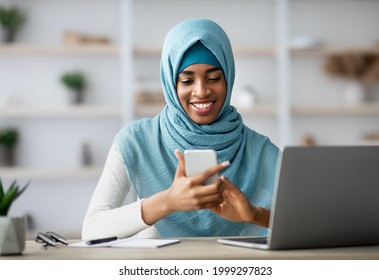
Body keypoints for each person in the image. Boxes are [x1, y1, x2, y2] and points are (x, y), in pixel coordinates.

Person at [82, 18, 280, 240]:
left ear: (229, 78)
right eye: (187, 81)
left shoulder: (260, 150)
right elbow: (92, 228)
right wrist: (168, 201)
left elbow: (307, 224)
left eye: (213, 78)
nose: (201, 91)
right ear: (170, 83)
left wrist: (254, 215)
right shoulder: (136, 140)